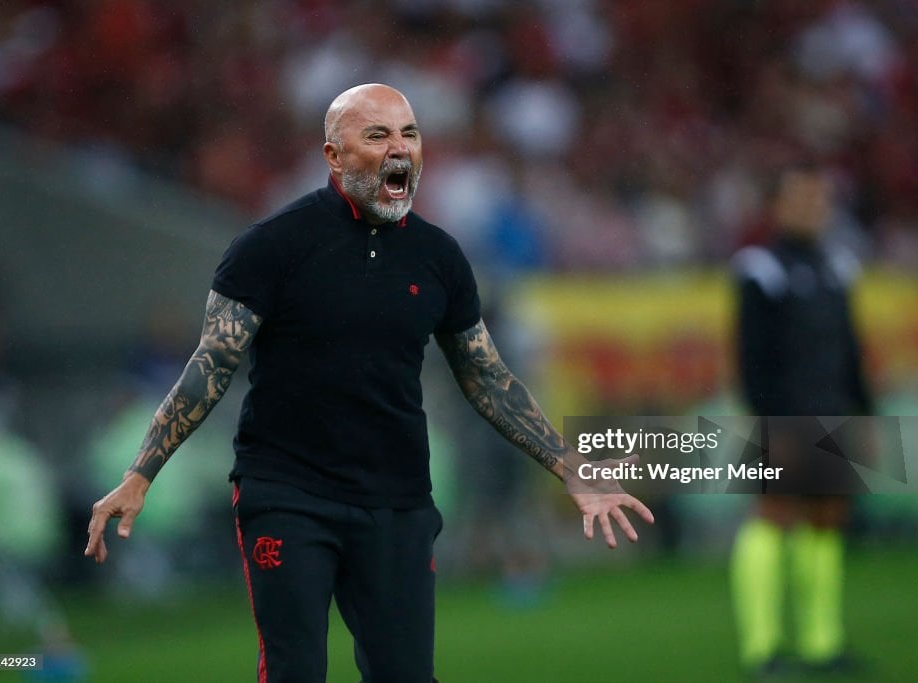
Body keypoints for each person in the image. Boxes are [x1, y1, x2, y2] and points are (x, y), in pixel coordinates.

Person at [85, 83, 654, 683]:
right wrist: (140, 472)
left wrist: (571, 467)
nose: (399, 148)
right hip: (288, 496)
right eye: (377, 134)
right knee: (294, 672)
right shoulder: (270, 247)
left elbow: (487, 378)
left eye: (409, 133)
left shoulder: (440, 258)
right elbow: (210, 365)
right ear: (333, 155)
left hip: (397, 503)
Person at [729, 163, 872, 677]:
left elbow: (852, 349)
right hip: (783, 414)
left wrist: (865, 411)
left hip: (833, 409)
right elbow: (751, 355)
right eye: (802, 199)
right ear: (778, 206)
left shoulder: (838, 266)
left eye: (820, 200)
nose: (813, 209)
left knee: (827, 521)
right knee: (773, 519)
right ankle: (762, 647)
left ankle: (821, 642)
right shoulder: (760, 267)